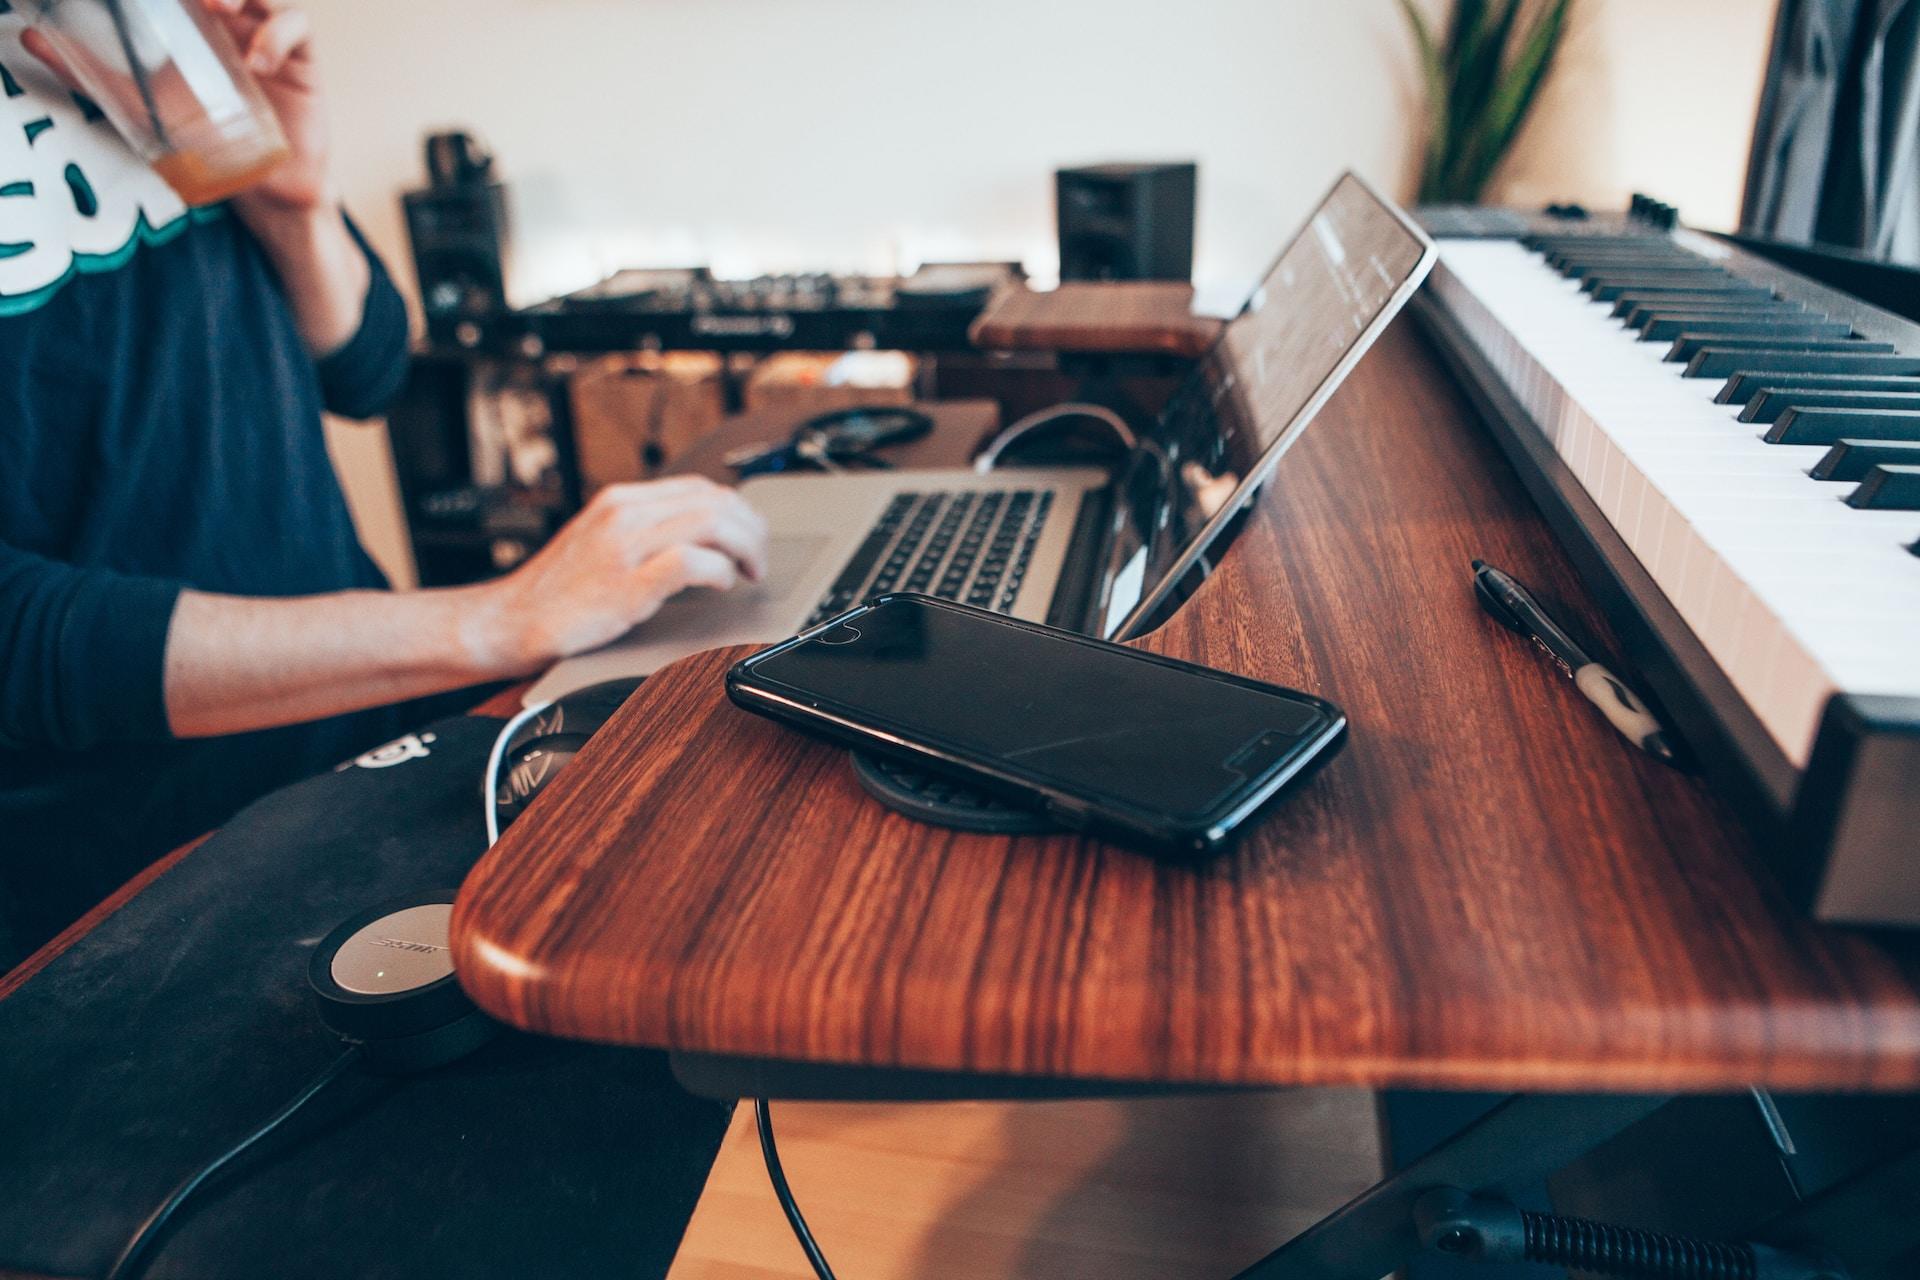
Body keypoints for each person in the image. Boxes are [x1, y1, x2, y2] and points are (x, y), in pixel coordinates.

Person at [0, 0, 769, 968]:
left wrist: (298, 202)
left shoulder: (119, 25)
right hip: (126, 887)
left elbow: (365, 366)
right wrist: (495, 618)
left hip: (363, 751)